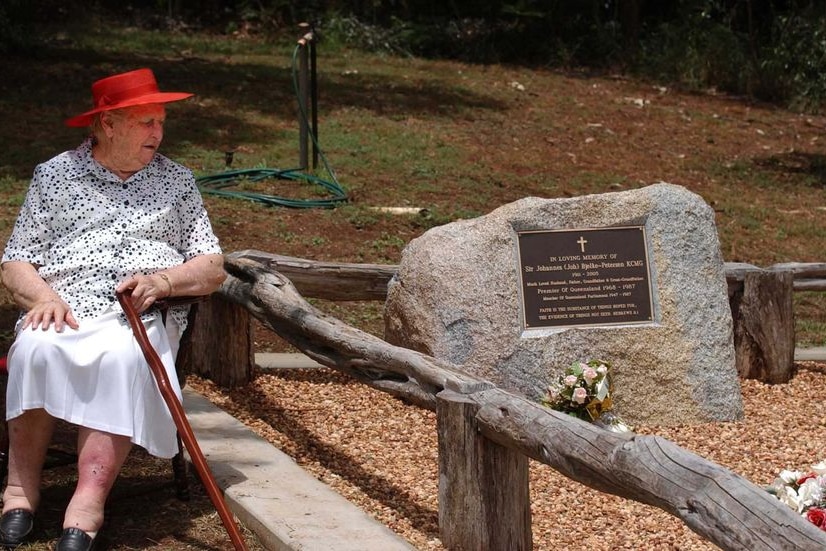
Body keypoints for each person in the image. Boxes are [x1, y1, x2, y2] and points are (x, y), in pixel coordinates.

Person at [0, 68, 226, 551]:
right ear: (107, 123)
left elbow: (211, 265)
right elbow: (16, 260)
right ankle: (19, 491)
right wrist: (43, 297)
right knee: (34, 350)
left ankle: (86, 504)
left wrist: (165, 281)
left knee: (123, 360)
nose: (158, 133)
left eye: (160, 121)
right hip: (64, 307)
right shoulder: (54, 175)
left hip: (138, 316)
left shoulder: (177, 182)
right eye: (146, 122)